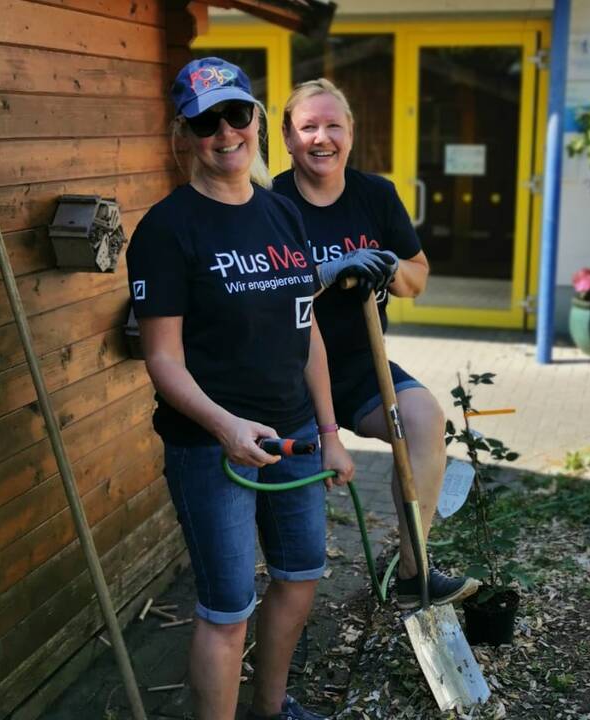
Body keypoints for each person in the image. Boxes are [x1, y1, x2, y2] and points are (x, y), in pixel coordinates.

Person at [127, 58, 372, 720]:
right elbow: (162, 359)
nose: (226, 132)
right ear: (185, 132)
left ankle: (270, 707)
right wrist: (225, 427)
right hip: (212, 450)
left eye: (238, 115)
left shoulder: (283, 214)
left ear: (257, 121)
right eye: (208, 121)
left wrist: (329, 434)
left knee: (299, 579)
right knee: (227, 608)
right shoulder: (166, 229)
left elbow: (308, 331)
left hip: (294, 433)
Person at [273, 79, 479, 611]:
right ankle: (287, 595)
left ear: (351, 134)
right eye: (309, 127)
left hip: (362, 366)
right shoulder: (270, 204)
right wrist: (323, 272)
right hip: (288, 373)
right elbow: (266, 294)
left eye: (333, 125)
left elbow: (418, 274)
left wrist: (390, 267)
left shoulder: (376, 196)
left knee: (425, 420)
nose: (323, 137)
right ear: (288, 139)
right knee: (294, 502)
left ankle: (414, 571)